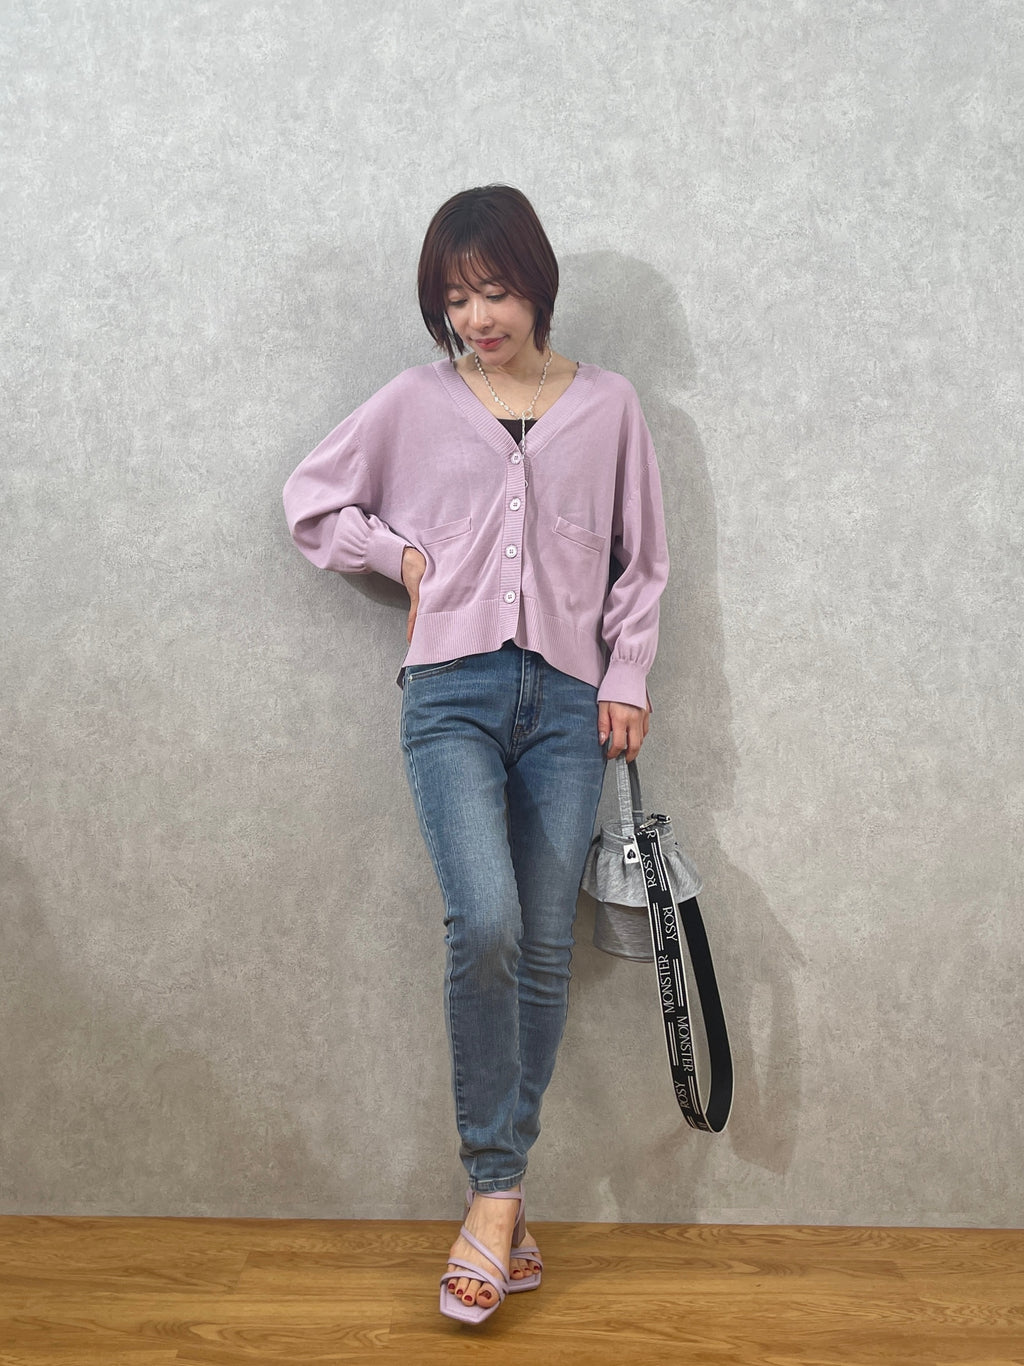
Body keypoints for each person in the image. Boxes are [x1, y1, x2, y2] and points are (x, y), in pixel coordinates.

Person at [283, 185, 669, 1324]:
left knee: (544, 948)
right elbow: (311, 502)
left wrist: (629, 675)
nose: (476, 318)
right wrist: (397, 555)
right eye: (454, 298)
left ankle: (497, 1205)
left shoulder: (610, 406)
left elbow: (643, 560)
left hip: (568, 703)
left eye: (493, 290)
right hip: (450, 693)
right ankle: (497, 1191)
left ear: (536, 284)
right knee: (486, 924)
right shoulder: (414, 401)